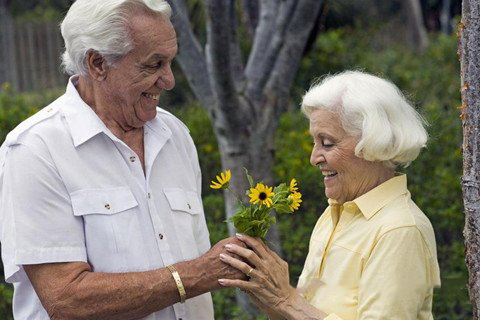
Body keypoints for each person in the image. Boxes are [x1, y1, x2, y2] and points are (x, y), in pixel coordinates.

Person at [0, 1, 245, 319]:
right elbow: (65, 299)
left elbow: (200, 259)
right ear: (98, 63)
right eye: (153, 64)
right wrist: (193, 276)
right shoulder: (36, 149)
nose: (169, 80)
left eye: (170, 62)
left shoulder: (176, 135)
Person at [218, 71, 441, 319]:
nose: (314, 158)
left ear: (373, 143)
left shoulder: (399, 230)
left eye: (327, 143)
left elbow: (294, 305)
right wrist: (264, 288)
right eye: (315, 142)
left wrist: (285, 299)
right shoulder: (334, 212)